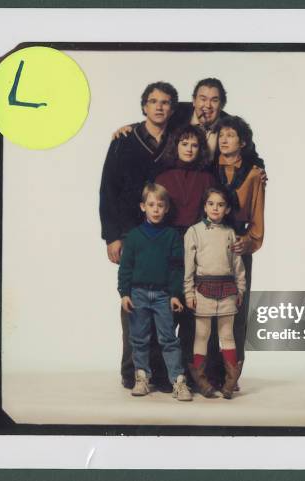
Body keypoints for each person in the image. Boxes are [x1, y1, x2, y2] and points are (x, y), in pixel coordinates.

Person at [99, 81, 179, 391]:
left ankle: (159, 373)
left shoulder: (177, 137)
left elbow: (191, 108)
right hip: (132, 233)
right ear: (144, 106)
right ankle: (132, 372)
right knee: (134, 305)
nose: (160, 107)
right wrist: (112, 236)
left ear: (173, 108)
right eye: (153, 102)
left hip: (165, 233)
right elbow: (107, 190)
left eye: (166, 102)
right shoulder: (124, 140)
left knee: (163, 302)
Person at [206, 115, 266, 390]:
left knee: (236, 311)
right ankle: (208, 374)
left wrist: (249, 242)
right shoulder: (208, 167)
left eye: (231, 135)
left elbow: (257, 215)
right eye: (221, 135)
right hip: (209, 242)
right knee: (208, 309)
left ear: (243, 142)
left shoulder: (254, 172)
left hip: (238, 244)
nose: (225, 140)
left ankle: (232, 374)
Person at [118, 183, 192, 401]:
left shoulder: (171, 236)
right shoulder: (133, 236)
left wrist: (175, 294)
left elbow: (177, 268)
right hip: (138, 293)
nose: (156, 209)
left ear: (167, 208)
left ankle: (178, 381)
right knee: (139, 339)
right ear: (143, 207)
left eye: (160, 205)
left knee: (168, 339)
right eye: (151, 205)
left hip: (162, 296)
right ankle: (142, 377)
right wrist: (124, 293)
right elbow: (126, 268)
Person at [154, 124, 217, 371]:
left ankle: (191, 371)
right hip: (170, 245)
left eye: (194, 144)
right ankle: (163, 371)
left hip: (198, 247)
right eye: (184, 143)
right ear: (175, 146)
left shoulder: (207, 178)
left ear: (200, 148)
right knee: (167, 309)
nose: (189, 149)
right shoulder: (163, 177)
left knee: (194, 312)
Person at [113, 78, 265, 171]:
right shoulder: (179, 112)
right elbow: (156, 116)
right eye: (202, 98)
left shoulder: (231, 125)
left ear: (222, 104)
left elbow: (249, 154)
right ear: (193, 100)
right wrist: (132, 128)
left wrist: (259, 171)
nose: (207, 105)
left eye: (214, 100)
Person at [184, 187, 246, 399]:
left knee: (227, 335)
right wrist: (188, 293)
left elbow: (238, 266)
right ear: (204, 206)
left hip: (228, 289)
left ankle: (230, 381)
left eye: (220, 205)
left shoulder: (230, 234)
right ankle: (201, 380)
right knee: (202, 335)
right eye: (211, 204)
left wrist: (241, 289)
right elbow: (188, 267)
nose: (215, 208)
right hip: (202, 289)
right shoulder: (193, 232)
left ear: (227, 209)